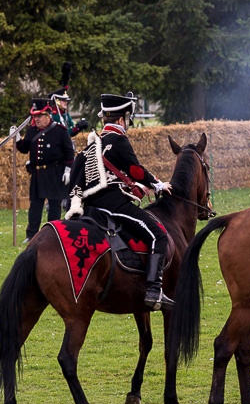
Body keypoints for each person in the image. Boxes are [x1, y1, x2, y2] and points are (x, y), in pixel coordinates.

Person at [65, 92, 174, 311]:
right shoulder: (118, 140)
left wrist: (135, 187)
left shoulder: (90, 148)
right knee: (158, 236)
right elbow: (134, 169)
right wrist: (157, 184)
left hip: (91, 208)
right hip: (112, 206)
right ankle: (154, 290)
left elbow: (98, 179)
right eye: (128, 121)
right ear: (122, 119)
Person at [16, 98, 75, 242]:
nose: (36, 119)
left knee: (54, 205)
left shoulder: (60, 131)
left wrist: (68, 170)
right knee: (35, 205)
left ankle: (52, 233)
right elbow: (25, 148)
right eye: (34, 116)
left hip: (55, 173)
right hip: (38, 173)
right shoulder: (32, 131)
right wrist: (17, 139)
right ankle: (31, 235)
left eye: (39, 116)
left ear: (47, 116)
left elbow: (69, 152)